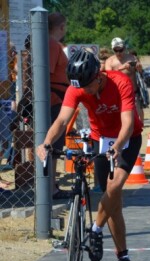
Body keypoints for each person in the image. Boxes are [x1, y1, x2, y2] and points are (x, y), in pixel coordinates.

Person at [36, 49, 143, 261]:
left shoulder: (120, 82)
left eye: (87, 86)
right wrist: (45, 143)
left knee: (115, 188)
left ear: (98, 76)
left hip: (127, 139)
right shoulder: (77, 88)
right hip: (100, 139)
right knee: (111, 200)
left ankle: (95, 230)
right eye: (80, 87)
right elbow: (63, 119)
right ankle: (123, 257)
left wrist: (118, 147)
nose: (84, 91)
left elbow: (128, 123)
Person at [48, 12, 71, 200]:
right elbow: (47, 73)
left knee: (55, 146)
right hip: (54, 100)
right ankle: (51, 188)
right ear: (61, 26)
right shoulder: (53, 45)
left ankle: (51, 185)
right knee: (54, 146)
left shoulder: (51, 45)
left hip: (56, 98)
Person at [105, 37, 144, 123]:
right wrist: (121, 68)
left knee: (138, 112)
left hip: (133, 92)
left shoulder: (132, 58)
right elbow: (108, 77)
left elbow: (141, 73)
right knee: (120, 117)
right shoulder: (110, 61)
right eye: (116, 50)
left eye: (121, 50)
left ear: (124, 48)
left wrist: (139, 68)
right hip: (117, 93)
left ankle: (140, 128)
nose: (118, 53)